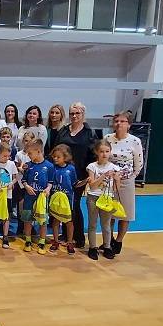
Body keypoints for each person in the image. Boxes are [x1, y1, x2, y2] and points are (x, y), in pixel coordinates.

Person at [55, 102, 96, 249]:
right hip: (62, 174)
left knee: (74, 205)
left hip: (79, 175)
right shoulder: (64, 131)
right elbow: (56, 149)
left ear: (83, 114)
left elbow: (93, 156)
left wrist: (89, 175)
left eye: (77, 113)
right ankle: (66, 235)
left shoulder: (89, 133)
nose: (74, 116)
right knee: (63, 205)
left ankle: (78, 238)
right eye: (72, 113)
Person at [105, 110, 144, 255]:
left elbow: (139, 164)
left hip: (126, 182)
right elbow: (103, 157)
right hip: (109, 182)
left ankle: (119, 241)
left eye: (122, 121)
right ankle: (108, 240)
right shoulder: (107, 138)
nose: (119, 124)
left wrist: (129, 177)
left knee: (125, 214)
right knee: (108, 213)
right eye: (116, 121)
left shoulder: (135, 141)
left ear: (129, 124)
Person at [86, 140, 121, 260]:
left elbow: (116, 189)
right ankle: (92, 247)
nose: (104, 154)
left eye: (107, 151)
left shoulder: (114, 167)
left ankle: (107, 247)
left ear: (110, 152)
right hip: (93, 197)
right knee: (92, 224)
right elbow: (92, 186)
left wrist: (117, 179)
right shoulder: (92, 166)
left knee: (106, 225)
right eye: (101, 151)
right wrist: (103, 176)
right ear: (96, 152)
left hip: (107, 198)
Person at [20, 141, 55, 255]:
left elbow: (51, 182)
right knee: (27, 219)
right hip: (29, 196)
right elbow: (24, 180)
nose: (28, 155)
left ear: (39, 151)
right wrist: (27, 186)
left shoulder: (49, 166)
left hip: (42, 197)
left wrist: (48, 189)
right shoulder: (28, 165)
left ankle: (42, 242)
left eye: (30, 153)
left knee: (42, 220)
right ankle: (28, 241)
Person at [49, 144, 77, 255]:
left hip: (67, 199)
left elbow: (75, 183)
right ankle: (55, 241)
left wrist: (85, 181)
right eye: (54, 156)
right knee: (56, 220)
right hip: (55, 199)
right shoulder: (52, 168)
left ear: (65, 157)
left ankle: (69, 242)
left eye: (58, 157)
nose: (55, 159)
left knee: (69, 221)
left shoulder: (71, 169)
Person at [0, 143, 17, 249]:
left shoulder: (11, 164)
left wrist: (12, 183)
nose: (7, 158)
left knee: (6, 216)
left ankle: (5, 237)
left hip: (7, 195)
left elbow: (15, 177)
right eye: (5, 156)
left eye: (9, 156)